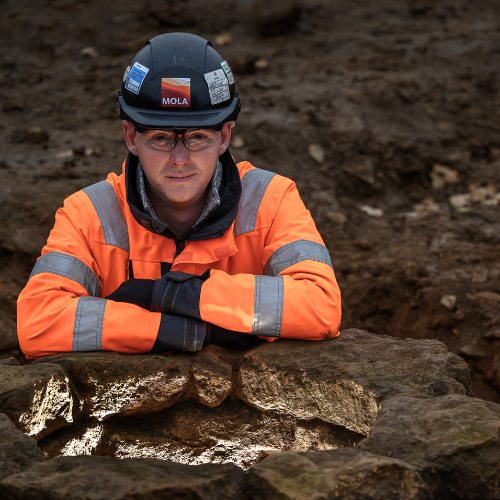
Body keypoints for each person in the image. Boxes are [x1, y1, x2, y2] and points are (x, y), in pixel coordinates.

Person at [17, 33, 341, 359]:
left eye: (198, 137)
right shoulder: (87, 214)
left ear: (225, 136)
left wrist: (173, 294)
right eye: (160, 138)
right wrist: (189, 331)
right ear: (131, 136)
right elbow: (38, 322)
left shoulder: (271, 200)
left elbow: (321, 305)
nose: (180, 159)